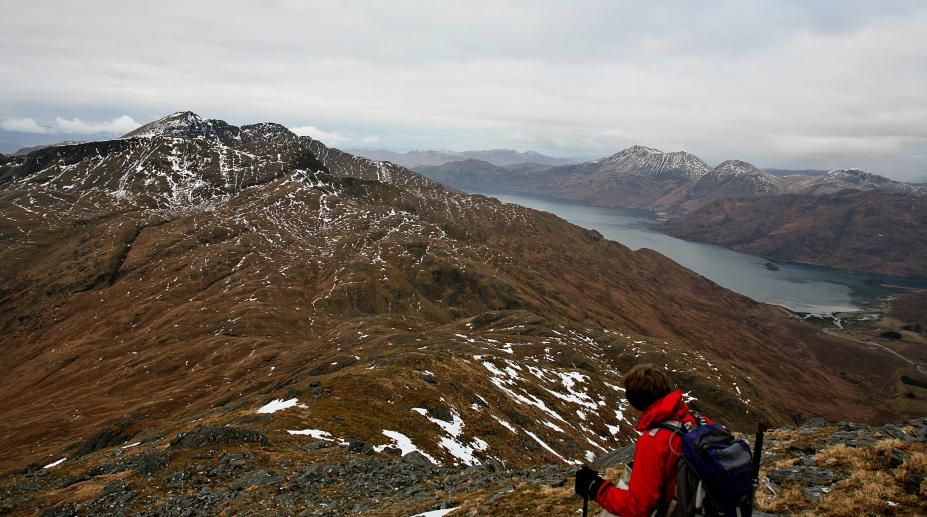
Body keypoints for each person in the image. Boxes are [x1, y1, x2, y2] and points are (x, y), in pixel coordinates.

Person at [575, 363, 707, 517]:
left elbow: (637, 508)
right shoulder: (700, 422)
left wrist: (596, 487)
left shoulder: (654, 441)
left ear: (635, 404)